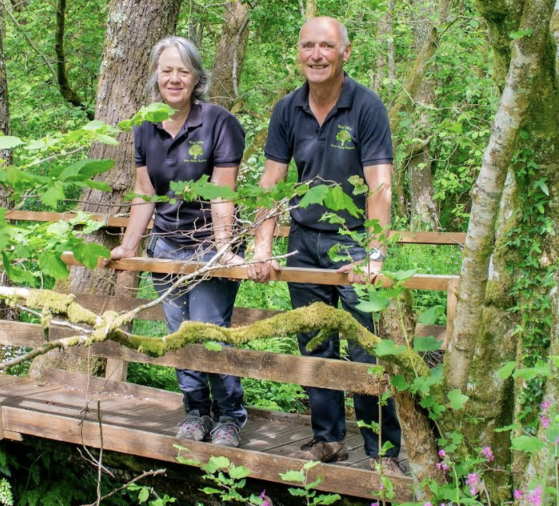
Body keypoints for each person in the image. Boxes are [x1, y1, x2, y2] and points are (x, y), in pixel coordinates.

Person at [247, 17, 405, 475]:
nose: (316, 54)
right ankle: (329, 439)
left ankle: (384, 454)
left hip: (353, 242)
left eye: (327, 46)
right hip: (303, 241)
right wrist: (263, 246)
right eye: (308, 46)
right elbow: (272, 183)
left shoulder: (366, 106)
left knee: (365, 349)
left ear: (345, 52)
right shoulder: (287, 109)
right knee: (315, 343)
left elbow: (380, 187)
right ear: (299, 53)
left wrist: (375, 254)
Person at [108, 36, 247, 447]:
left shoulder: (218, 122)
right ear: (156, 75)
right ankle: (195, 413)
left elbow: (224, 190)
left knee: (207, 331)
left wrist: (223, 249)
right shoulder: (144, 126)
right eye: (167, 70)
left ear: (196, 77)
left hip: (207, 244)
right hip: (166, 247)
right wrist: (130, 246)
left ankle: (230, 416)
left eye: (183, 71)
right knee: (177, 335)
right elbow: (143, 192)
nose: (174, 78)